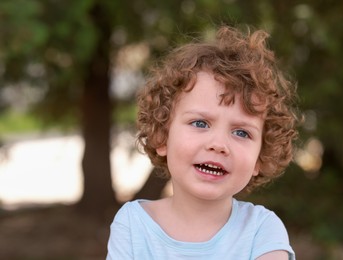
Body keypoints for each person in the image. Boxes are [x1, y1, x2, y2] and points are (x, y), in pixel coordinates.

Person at [107, 25, 298, 260]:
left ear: (261, 156)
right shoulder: (133, 225)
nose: (218, 144)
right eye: (200, 123)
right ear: (161, 136)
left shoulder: (262, 231)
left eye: (241, 133)